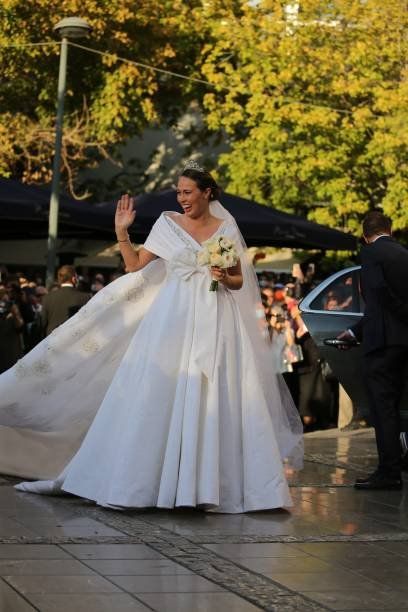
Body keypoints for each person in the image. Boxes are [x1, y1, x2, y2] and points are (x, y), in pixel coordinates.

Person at [0, 161, 303, 513]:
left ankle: (211, 485)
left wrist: (222, 275)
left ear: (208, 193)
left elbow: (237, 280)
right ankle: (144, 483)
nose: (182, 198)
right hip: (170, 320)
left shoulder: (226, 229)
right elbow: (133, 265)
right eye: (179, 192)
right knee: (159, 392)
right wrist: (122, 232)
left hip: (216, 318)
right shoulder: (167, 223)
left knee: (215, 393)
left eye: (188, 192)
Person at [338, 211, 408, 490]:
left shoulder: (371, 254)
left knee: (383, 409)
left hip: (382, 343)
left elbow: (378, 297)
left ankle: (389, 472)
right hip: (403, 342)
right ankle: (395, 464)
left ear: (365, 236)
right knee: (397, 407)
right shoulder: (403, 253)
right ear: (389, 230)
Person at [41, 265, 90, 335]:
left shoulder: (47, 297)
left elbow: (43, 322)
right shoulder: (85, 297)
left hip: (52, 339)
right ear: (74, 279)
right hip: (74, 338)